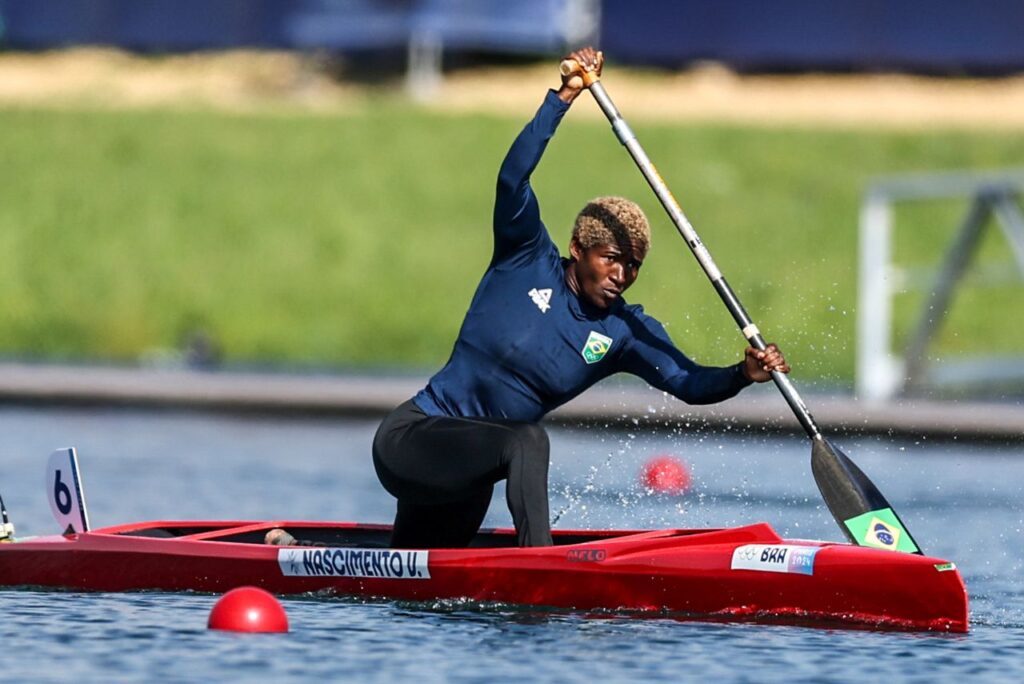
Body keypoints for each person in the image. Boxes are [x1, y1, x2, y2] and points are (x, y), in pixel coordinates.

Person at [372, 47, 789, 549]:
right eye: (611, 258)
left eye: (633, 265)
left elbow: (687, 381)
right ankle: (540, 563)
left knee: (413, 575)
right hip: (413, 438)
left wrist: (743, 374)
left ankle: (287, 550)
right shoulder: (524, 256)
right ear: (578, 249)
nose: (621, 274)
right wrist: (563, 96)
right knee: (528, 440)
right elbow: (512, 179)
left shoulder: (623, 333)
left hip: (469, 475)